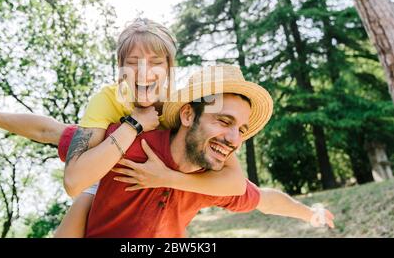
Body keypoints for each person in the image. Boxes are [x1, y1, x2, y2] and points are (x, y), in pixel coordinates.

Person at [0, 19, 247, 237]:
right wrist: (134, 124)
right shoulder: (108, 100)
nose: (143, 71)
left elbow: (233, 179)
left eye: (155, 61)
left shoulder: (180, 107)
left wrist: (166, 178)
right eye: (132, 61)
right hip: (100, 171)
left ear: (169, 69)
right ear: (120, 70)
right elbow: (69, 169)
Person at [57, 65, 335, 237]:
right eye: (224, 121)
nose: (234, 139)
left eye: (241, 130)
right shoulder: (128, 142)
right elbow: (52, 132)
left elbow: (263, 199)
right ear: (188, 115)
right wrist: (10, 118)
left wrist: (309, 214)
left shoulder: (212, 182)